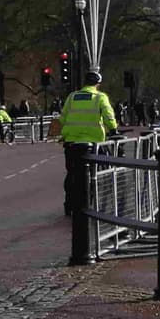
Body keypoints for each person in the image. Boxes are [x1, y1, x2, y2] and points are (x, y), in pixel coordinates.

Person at [56, 69, 120, 216]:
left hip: (71, 141)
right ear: (97, 84)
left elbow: (62, 118)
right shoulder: (100, 97)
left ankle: (69, 203)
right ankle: (92, 204)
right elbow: (108, 115)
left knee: (71, 172)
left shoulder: (72, 97)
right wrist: (113, 129)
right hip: (93, 141)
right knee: (96, 172)